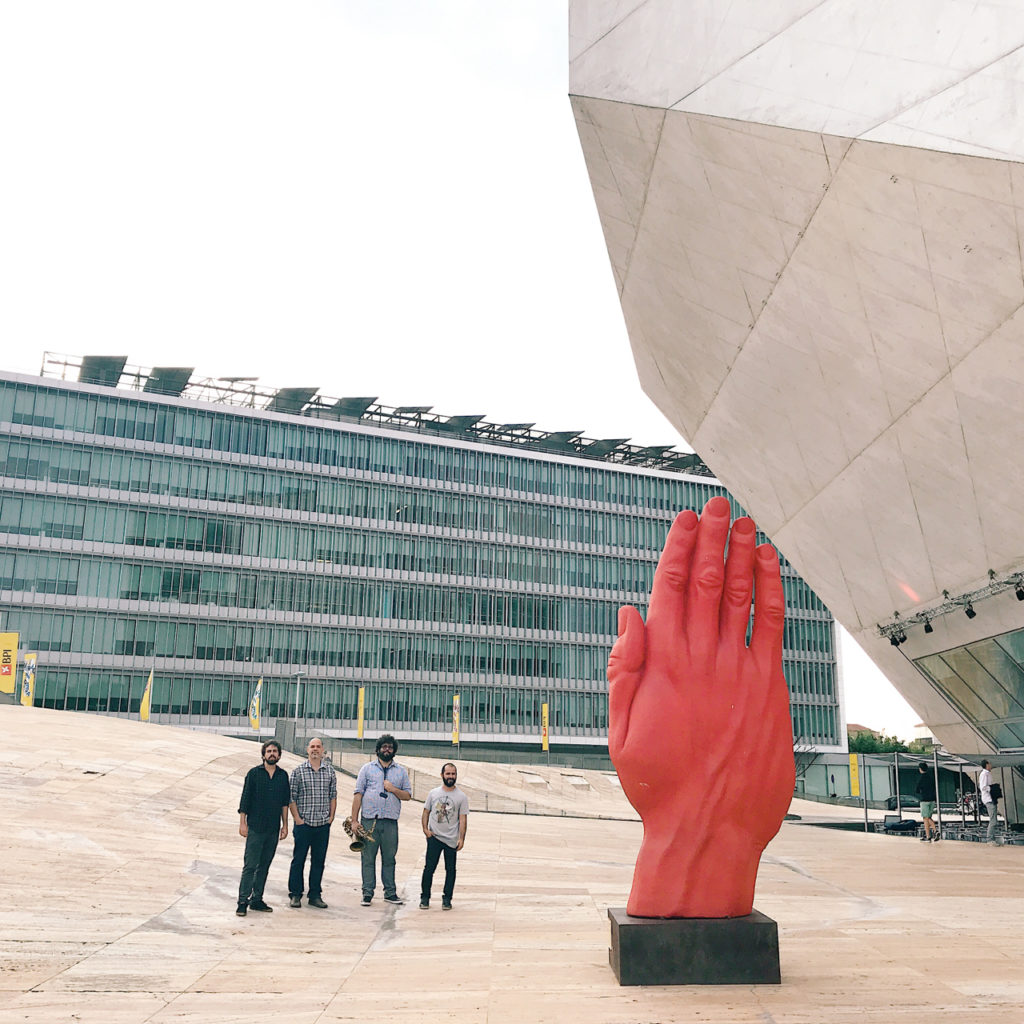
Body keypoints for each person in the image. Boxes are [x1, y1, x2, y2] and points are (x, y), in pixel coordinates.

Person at [351, 734, 411, 906]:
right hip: (370, 821)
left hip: (390, 822)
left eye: (390, 747)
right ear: (378, 750)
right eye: (384, 747)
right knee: (368, 858)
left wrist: (393, 789)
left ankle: (390, 893)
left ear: (394, 751)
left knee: (389, 858)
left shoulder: (400, 772)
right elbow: (358, 794)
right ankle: (367, 892)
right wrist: (355, 820)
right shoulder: (367, 769)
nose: (387, 750)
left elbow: (407, 795)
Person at [236, 740, 291, 916]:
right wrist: (242, 823)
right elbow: (245, 800)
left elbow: (284, 803)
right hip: (255, 828)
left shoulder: (283, 776)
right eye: (269, 751)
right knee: (250, 865)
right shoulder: (253, 774)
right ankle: (242, 901)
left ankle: (257, 899)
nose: (272, 754)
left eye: (275, 751)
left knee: (264, 866)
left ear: (279, 755)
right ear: (263, 755)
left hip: (273, 829)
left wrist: (285, 825)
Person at [288, 737, 337, 908]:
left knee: (318, 861)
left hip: (322, 825)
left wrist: (331, 817)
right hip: (304, 824)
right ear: (307, 750)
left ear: (323, 750)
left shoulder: (330, 772)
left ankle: (315, 894)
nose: (315, 749)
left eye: (318, 747)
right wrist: (297, 819)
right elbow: (291, 797)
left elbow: (333, 796)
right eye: (312, 747)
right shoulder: (298, 771)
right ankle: (295, 894)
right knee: (298, 859)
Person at [419, 762, 468, 911]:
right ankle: (425, 898)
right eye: (448, 774)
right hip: (434, 837)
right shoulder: (433, 793)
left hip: (451, 840)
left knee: (451, 870)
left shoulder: (461, 796)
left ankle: (447, 899)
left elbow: (463, 818)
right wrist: (425, 830)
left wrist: (461, 838)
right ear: (442, 775)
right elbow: (426, 811)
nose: (451, 776)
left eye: (453, 774)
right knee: (429, 869)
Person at [979, 760, 1002, 845]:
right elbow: (983, 787)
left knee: (993, 819)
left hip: (991, 798)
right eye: (989, 764)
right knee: (993, 820)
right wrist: (992, 789)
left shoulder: (987, 774)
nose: (991, 765)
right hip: (988, 799)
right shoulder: (984, 774)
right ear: (987, 765)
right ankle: (990, 839)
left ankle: (992, 838)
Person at [915, 762, 938, 842]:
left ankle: (935, 830)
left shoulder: (921, 778)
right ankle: (928, 836)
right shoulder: (931, 777)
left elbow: (917, 789)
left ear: (920, 769)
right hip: (932, 800)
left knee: (926, 817)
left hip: (924, 800)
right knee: (928, 817)